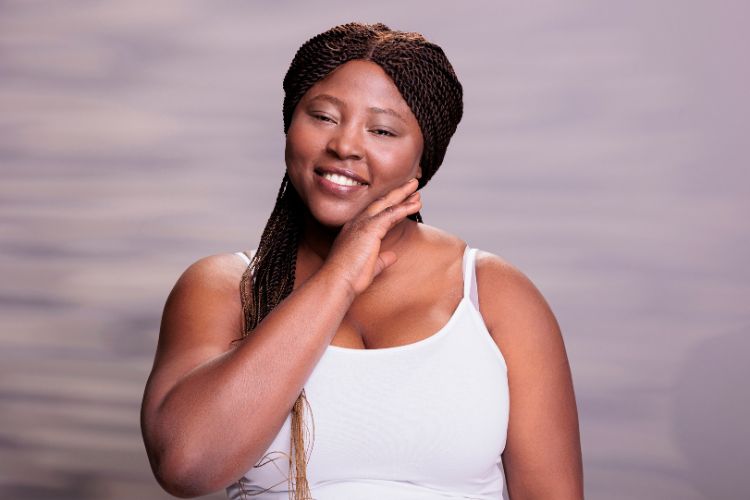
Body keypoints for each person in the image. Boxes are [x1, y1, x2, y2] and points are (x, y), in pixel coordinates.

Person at [140, 22, 583, 500]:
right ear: (290, 125)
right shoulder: (226, 288)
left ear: (423, 161)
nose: (346, 145)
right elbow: (186, 466)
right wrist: (340, 277)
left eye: (382, 130)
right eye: (324, 117)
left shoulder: (493, 295)